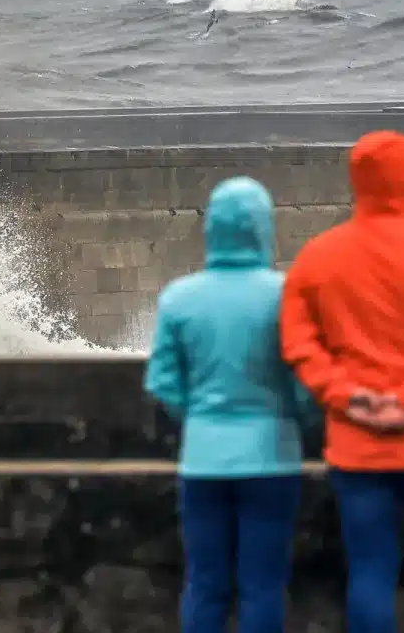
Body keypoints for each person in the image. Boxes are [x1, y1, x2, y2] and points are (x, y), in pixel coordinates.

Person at [280, 130, 404, 633]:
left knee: (370, 575)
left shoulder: (318, 256)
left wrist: (347, 397)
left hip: (358, 447)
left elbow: (298, 344)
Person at [143, 176, 318, 633]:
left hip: (203, 458)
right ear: (264, 229)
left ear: (212, 230)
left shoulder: (180, 298)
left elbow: (163, 382)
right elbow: (306, 381)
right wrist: (296, 419)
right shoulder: (287, 295)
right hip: (272, 459)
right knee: (262, 583)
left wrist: (199, 417)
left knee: (205, 582)